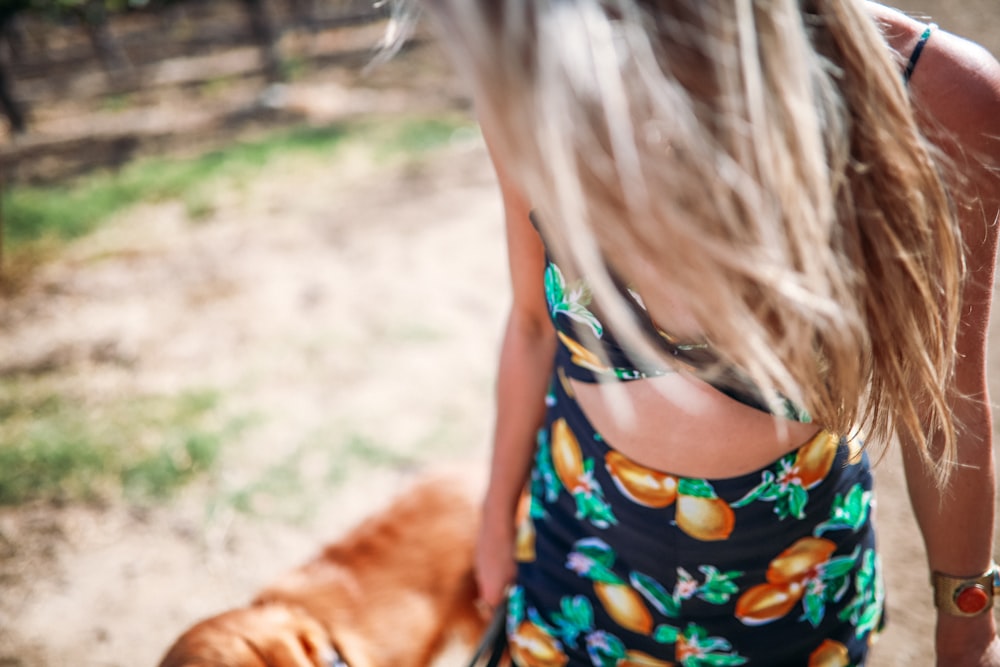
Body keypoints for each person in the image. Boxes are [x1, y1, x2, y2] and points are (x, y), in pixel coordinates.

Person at [413, 1, 1000, 664]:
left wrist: (968, 620)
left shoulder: (934, 93)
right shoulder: (540, 70)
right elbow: (529, 326)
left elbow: (945, 400)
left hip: (791, 584)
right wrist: (495, 522)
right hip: (576, 553)